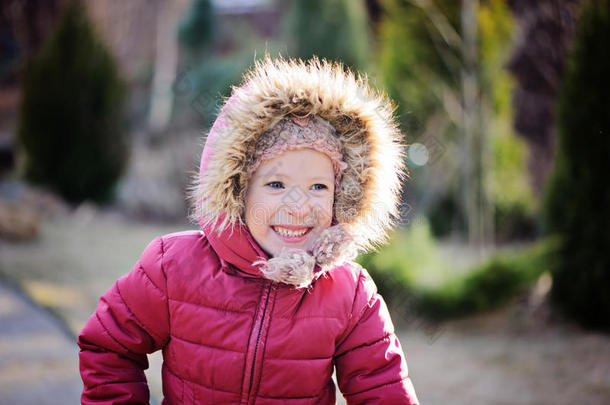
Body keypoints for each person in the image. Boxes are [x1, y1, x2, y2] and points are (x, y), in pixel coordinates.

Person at [78, 56, 420, 404]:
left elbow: (383, 390)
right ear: (238, 191)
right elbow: (108, 347)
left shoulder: (350, 294)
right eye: (275, 184)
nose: (298, 207)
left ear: (343, 195)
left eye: (319, 187)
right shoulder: (173, 267)